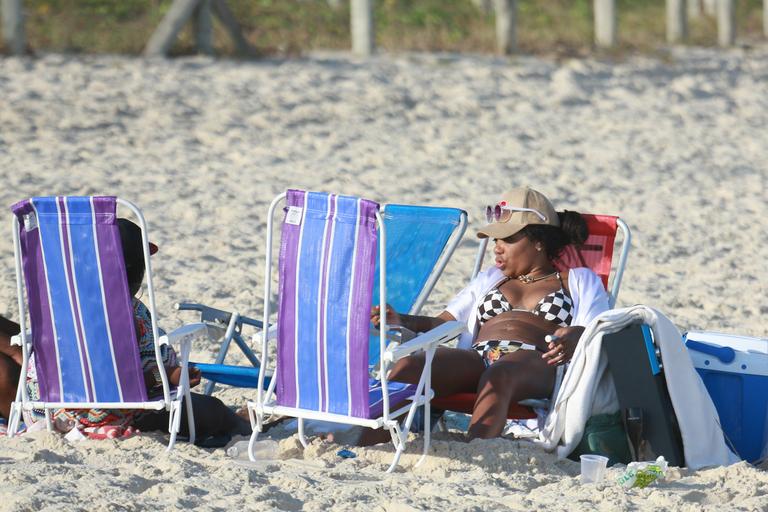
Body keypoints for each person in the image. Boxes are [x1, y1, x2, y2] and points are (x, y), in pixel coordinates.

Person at [367, 186, 610, 441]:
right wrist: (402, 320)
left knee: (499, 374)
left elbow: (599, 329)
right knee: (409, 366)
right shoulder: (491, 278)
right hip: (479, 356)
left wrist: (574, 337)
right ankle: (366, 441)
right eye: (495, 240)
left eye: (507, 239)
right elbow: (443, 323)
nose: (497, 248)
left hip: (537, 363)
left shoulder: (577, 279)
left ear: (538, 241)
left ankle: (478, 449)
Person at [19, 218, 250, 444]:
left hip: (43, 409)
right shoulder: (127, 317)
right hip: (103, 413)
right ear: (137, 271)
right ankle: (244, 426)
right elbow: (122, 387)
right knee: (211, 410)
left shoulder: (61, 303)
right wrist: (169, 376)